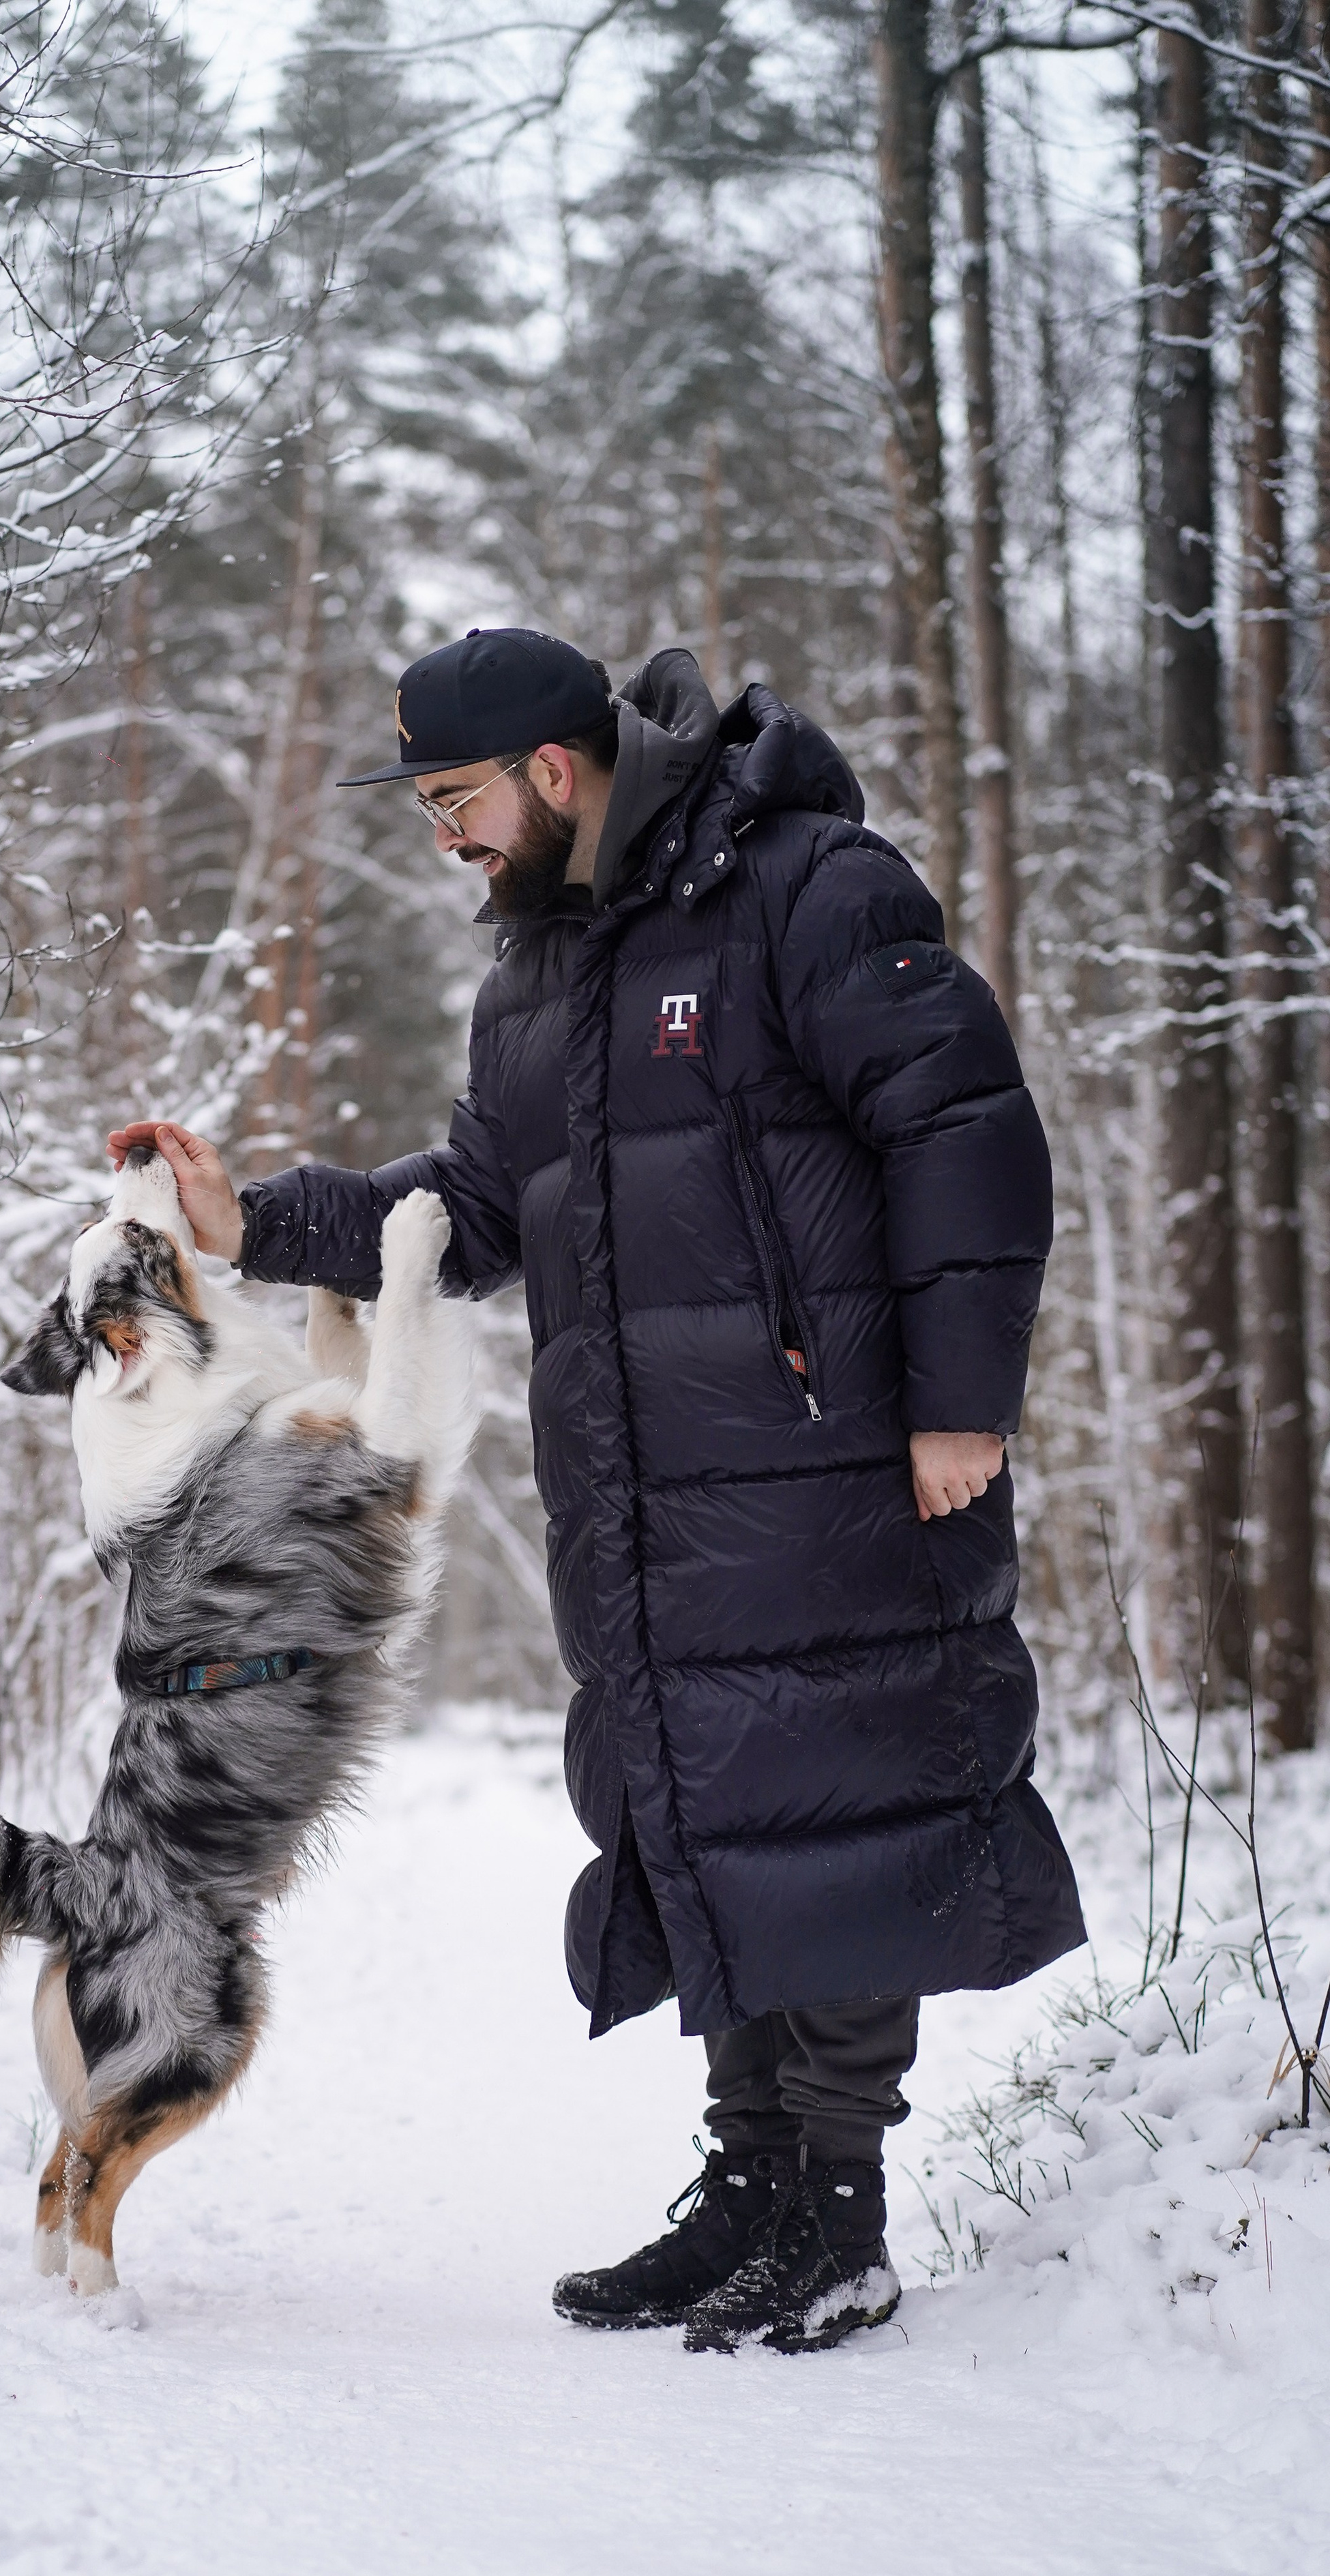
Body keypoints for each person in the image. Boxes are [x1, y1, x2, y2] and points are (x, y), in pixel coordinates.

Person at [107, 627, 1085, 2356]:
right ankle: (750, 2185)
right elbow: (475, 1213)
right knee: (702, 1806)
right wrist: (250, 1222)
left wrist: (957, 1403)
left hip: (833, 1454)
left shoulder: (808, 887)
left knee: (831, 1801)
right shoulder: (539, 979)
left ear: (554, 772)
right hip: (644, 1488)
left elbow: (964, 1125)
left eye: (455, 801)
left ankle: (839, 2215)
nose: (444, 840)